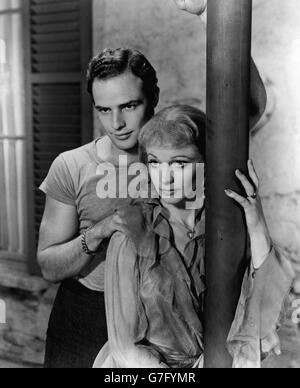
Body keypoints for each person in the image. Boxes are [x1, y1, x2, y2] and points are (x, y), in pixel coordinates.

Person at [37, 3, 267, 368]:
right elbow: (48, 265)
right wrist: (98, 233)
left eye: (129, 105)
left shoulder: (175, 146)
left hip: (166, 313)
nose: (117, 123)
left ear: (154, 98)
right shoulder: (72, 165)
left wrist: (209, 15)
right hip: (86, 313)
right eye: (104, 109)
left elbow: (247, 107)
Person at [93, 105, 294, 368]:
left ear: (206, 165)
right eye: (155, 163)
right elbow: (125, 347)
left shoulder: (223, 225)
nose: (164, 177)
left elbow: (265, 292)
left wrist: (255, 219)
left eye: (179, 164)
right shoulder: (131, 232)